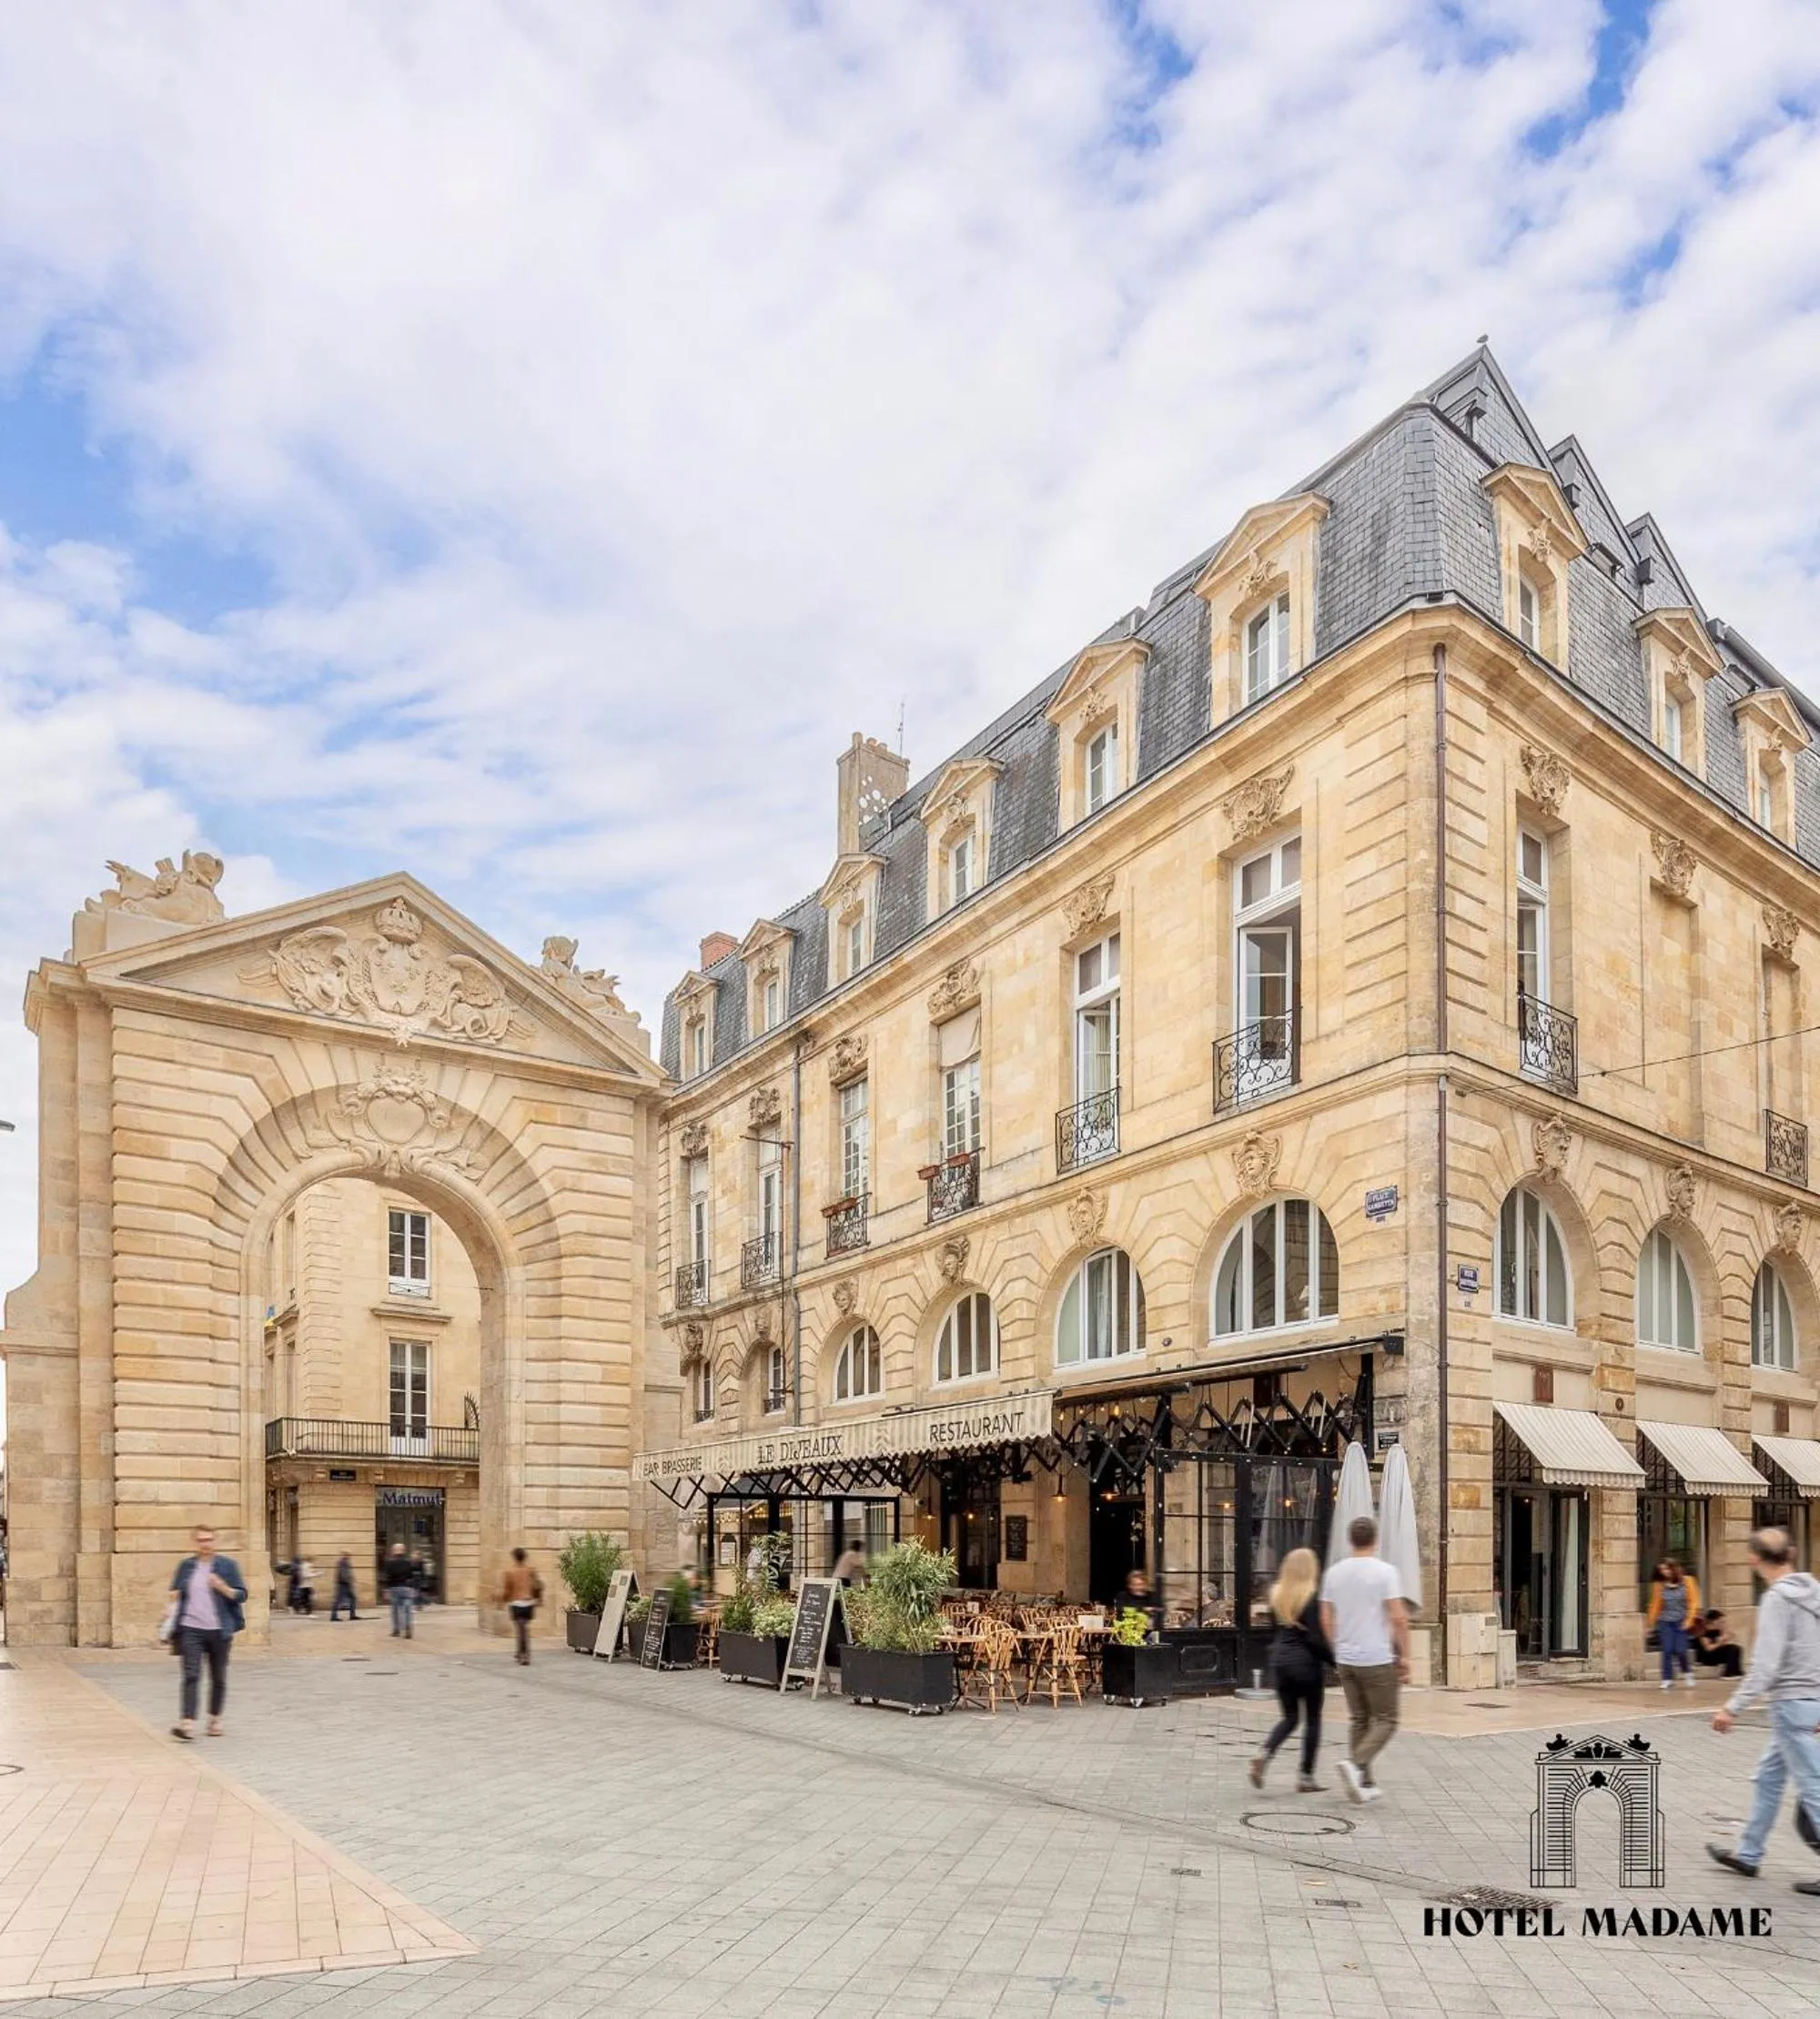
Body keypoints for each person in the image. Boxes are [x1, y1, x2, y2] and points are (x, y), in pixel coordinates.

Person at [1706, 1528, 1820, 1894]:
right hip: (1808, 1703)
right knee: (1768, 1778)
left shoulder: (1777, 1600)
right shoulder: (1815, 1593)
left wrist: (1732, 1707)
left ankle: (1751, 1854)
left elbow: (1766, 1667)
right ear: (1793, 1552)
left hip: (1790, 1704)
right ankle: (1749, 1855)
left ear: (1754, 1559)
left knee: (1814, 1787)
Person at [1319, 1515, 1409, 1805]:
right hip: (1377, 1656)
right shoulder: (1385, 1573)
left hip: (1346, 1656)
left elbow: (1325, 1617)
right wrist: (1405, 1655)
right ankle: (1356, 1765)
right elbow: (1398, 1617)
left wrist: (1337, 1646)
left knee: (1359, 1718)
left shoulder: (1334, 1573)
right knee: (1387, 1719)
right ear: (1375, 1540)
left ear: (1350, 1540)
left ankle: (1364, 1782)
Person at [1250, 1546, 1334, 1794]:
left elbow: (1275, 1633)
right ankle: (1306, 1777)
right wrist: (1334, 1661)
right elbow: (1315, 1640)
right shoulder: (1311, 1598)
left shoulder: (1277, 1596)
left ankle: (1265, 1753)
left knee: (1289, 1718)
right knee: (1312, 1720)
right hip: (1306, 1665)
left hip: (1280, 1662)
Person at [167, 1526, 248, 1741]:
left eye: (210, 1540)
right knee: (191, 1675)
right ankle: (187, 1723)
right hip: (191, 1628)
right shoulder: (186, 1566)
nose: (206, 1544)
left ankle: (215, 1719)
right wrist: (172, 1601)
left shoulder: (228, 1566)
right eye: (202, 1540)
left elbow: (242, 1595)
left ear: (215, 1541)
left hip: (219, 1629)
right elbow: (174, 1592)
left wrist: (224, 1588)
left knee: (218, 1676)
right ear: (195, 1542)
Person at [1646, 1557, 1701, 1690]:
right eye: (1662, 1570)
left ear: (1673, 1568)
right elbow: (1655, 1605)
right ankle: (1667, 1678)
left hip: (1681, 1621)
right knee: (1667, 1650)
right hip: (1665, 1622)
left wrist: (1689, 1620)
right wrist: (1649, 1624)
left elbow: (1694, 1603)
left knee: (1681, 1650)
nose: (1664, 1572)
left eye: (1666, 1568)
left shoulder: (1688, 1581)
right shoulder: (1659, 1585)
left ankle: (1687, 1672)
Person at [499, 1548, 543, 1665]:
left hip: (516, 1604)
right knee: (524, 1628)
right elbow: (538, 1586)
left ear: (514, 1557)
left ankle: (524, 1654)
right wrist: (539, 1599)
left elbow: (507, 1590)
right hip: (529, 1603)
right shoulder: (531, 1570)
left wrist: (502, 1601)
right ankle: (520, 1652)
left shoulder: (509, 1572)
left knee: (520, 1629)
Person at [1693, 1608, 1744, 1680]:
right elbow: (1708, 1648)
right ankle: (1727, 1674)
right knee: (1732, 1649)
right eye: (1720, 1621)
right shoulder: (1704, 1632)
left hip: (1716, 1653)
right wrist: (1719, 1643)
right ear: (1712, 1621)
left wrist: (1725, 1631)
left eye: (1723, 1622)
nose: (1722, 1623)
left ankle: (1737, 1672)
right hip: (1706, 1657)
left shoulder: (1718, 1630)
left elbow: (1727, 1640)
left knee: (1737, 1648)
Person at [383, 1541, 418, 1638]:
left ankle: (396, 1630)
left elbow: (387, 1577)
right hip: (407, 1588)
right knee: (408, 1609)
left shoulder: (389, 1563)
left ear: (394, 1551)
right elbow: (412, 1576)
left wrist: (387, 1590)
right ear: (403, 1551)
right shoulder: (408, 1562)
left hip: (395, 1588)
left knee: (395, 1610)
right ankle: (408, 1627)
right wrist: (414, 1588)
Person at [330, 1553, 359, 1622]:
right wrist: (349, 1581)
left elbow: (349, 1573)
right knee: (338, 1600)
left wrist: (353, 1579)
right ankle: (333, 1617)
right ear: (345, 1555)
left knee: (353, 1598)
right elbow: (344, 1574)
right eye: (348, 1555)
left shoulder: (346, 1562)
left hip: (346, 1584)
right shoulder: (342, 1563)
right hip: (343, 1585)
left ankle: (352, 1615)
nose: (349, 1557)